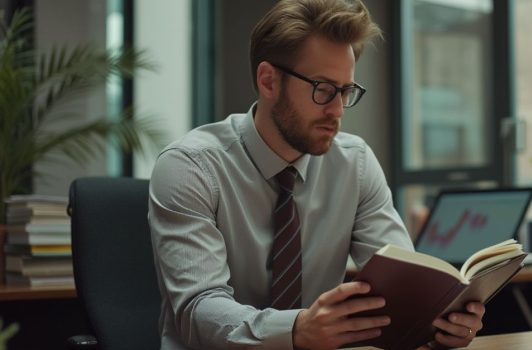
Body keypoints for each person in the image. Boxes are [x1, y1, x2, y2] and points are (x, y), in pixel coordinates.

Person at [148, 0, 485, 349]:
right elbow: (198, 311)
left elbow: (405, 283)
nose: (337, 110)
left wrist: (441, 322)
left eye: (346, 91)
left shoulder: (354, 164)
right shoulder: (190, 166)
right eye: (323, 89)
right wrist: (295, 330)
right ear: (268, 80)